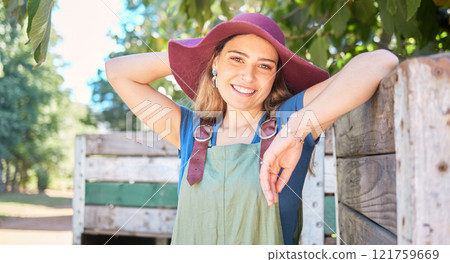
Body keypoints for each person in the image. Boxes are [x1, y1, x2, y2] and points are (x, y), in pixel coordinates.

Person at [105, 13, 398, 245]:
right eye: (236, 58)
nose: (248, 75)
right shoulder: (190, 130)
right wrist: (200, 49)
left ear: (275, 76)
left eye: (265, 66)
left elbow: (380, 61)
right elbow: (118, 71)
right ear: (215, 62)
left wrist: (297, 129)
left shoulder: (288, 119)